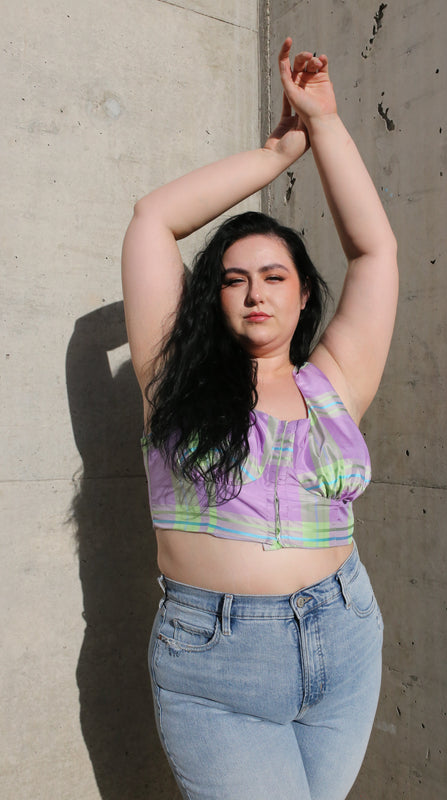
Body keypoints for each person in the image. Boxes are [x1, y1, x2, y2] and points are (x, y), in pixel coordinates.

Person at [121, 37, 398, 800]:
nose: (254, 293)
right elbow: (153, 220)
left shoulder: (333, 384)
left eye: (274, 277)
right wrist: (277, 154)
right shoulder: (172, 381)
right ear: (210, 297)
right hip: (216, 664)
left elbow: (373, 251)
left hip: (344, 635)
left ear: (303, 295)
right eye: (233, 279)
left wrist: (325, 124)